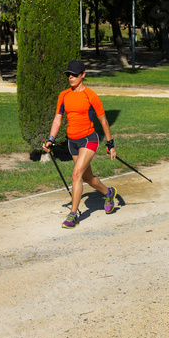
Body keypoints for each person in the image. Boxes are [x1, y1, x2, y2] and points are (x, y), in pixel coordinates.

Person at [42, 59, 117, 229]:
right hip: (73, 142)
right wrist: (51, 139)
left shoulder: (91, 96)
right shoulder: (64, 95)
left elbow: (103, 121)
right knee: (87, 177)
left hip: (88, 139)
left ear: (83, 75)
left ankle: (73, 214)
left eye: (75, 74)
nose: (71, 77)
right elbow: (58, 119)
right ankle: (108, 192)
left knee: (76, 175)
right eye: (69, 74)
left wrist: (110, 144)